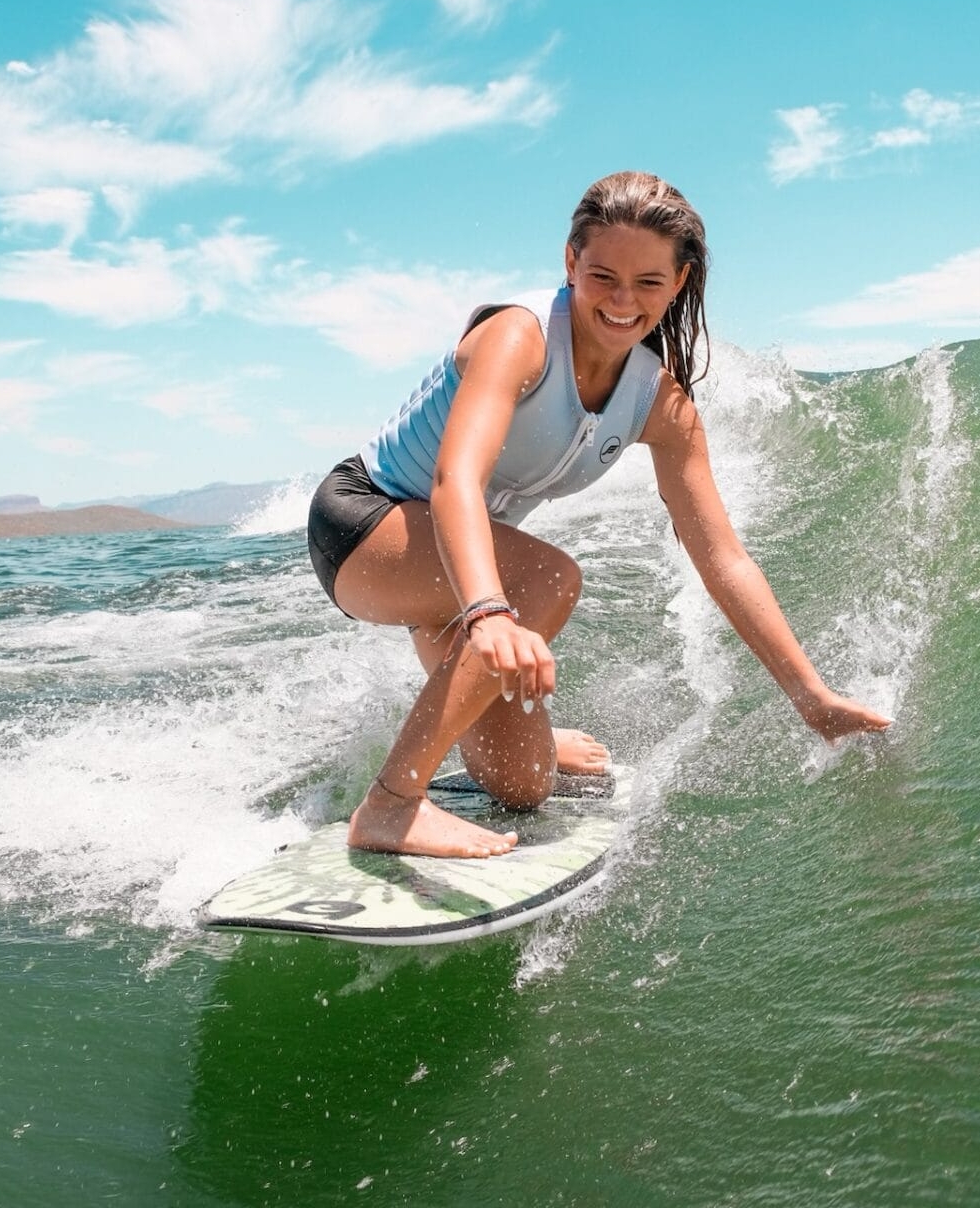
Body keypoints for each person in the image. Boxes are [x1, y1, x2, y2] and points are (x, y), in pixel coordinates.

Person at [307, 171, 891, 860]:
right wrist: (489, 611)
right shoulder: (518, 336)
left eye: (648, 282)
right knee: (548, 579)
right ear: (569, 263)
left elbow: (722, 558)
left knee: (526, 785)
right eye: (602, 275)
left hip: (455, 560)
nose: (621, 301)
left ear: (680, 282)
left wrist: (811, 697)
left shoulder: (659, 402)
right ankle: (390, 805)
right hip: (364, 523)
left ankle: (512, 738)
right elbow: (452, 479)